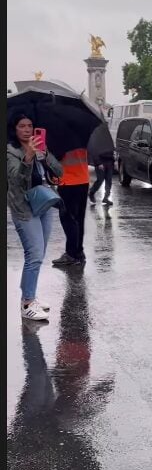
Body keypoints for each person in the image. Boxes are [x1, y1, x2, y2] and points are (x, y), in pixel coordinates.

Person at [7, 112, 63, 320]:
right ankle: (27, 304)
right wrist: (28, 157)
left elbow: (59, 171)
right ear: (14, 129)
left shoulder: (39, 147)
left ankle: (30, 295)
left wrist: (45, 153)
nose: (27, 129)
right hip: (24, 208)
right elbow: (15, 180)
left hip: (43, 204)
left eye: (30, 126)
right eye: (22, 126)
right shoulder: (10, 152)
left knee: (39, 254)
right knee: (35, 255)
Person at [52, 137, 90, 267]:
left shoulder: (62, 136)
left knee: (68, 219)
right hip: (83, 179)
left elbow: (56, 157)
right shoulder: (82, 135)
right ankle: (79, 252)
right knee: (79, 219)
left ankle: (71, 254)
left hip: (68, 182)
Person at [88, 123, 115, 206]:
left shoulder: (107, 136)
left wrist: (113, 158)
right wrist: (98, 163)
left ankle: (106, 197)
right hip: (101, 162)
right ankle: (91, 192)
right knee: (100, 180)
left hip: (109, 161)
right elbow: (94, 151)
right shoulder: (96, 137)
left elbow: (111, 147)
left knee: (109, 181)